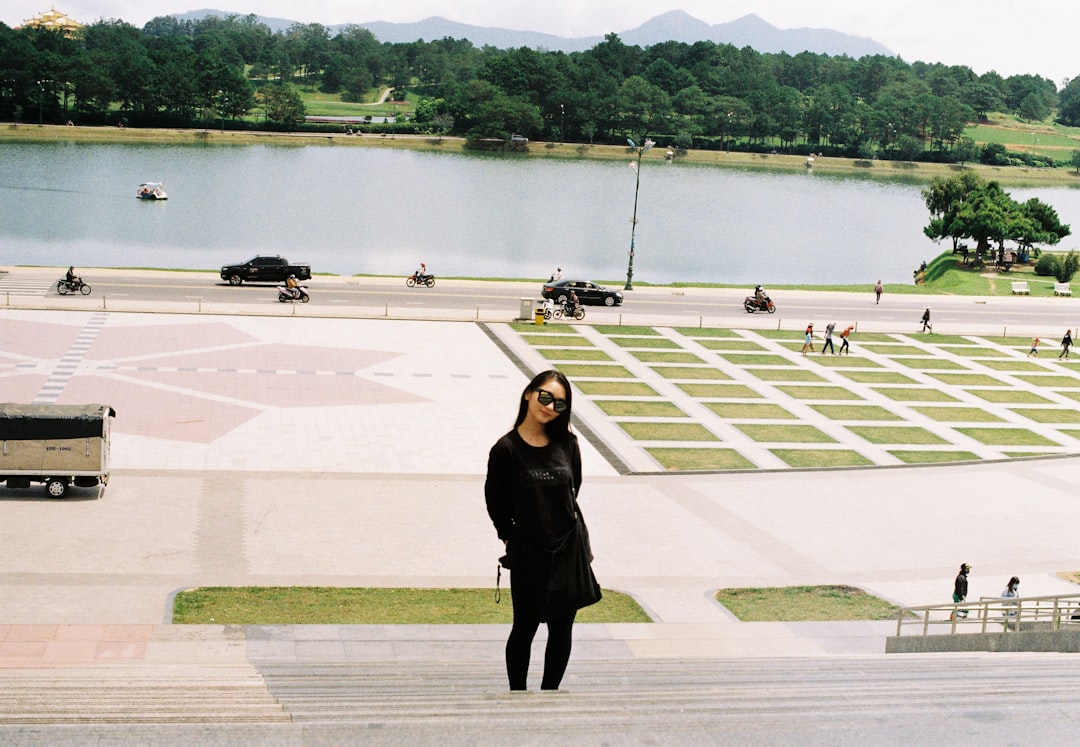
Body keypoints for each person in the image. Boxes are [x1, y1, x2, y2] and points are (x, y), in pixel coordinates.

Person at [485, 370, 591, 691]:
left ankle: (550, 697)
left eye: (559, 404)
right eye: (545, 397)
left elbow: (574, 488)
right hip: (529, 554)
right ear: (529, 394)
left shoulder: (568, 443)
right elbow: (495, 502)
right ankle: (517, 694)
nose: (549, 407)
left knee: (561, 630)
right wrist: (511, 536)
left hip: (568, 552)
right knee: (525, 627)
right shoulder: (506, 449)